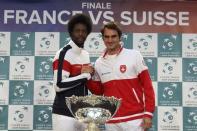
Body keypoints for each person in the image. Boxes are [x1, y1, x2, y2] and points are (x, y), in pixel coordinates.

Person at [87, 22, 155, 131]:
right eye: (107, 37)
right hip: (111, 120)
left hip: (134, 118)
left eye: (113, 36)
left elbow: (148, 86)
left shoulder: (134, 55)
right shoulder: (99, 63)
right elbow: (99, 92)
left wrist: (148, 113)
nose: (110, 40)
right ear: (103, 38)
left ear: (119, 37)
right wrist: (88, 78)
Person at [52, 14, 94, 131]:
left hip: (82, 114)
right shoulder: (64, 53)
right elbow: (59, 85)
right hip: (64, 114)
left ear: (87, 33)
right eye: (77, 31)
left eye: (84, 31)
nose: (81, 34)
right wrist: (85, 76)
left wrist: (90, 73)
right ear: (71, 32)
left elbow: (84, 83)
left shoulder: (85, 54)